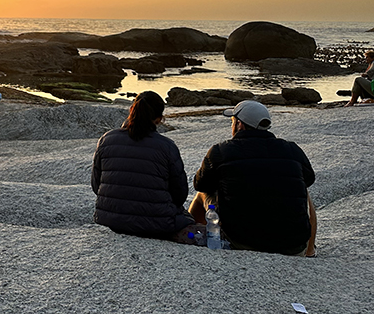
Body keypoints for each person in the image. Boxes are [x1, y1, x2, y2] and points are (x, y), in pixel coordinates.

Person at [189, 100, 317, 256]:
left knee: (203, 193)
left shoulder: (220, 150)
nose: (232, 126)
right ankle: (309, 250)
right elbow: (309, 179)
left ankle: (192, 234)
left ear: (240, 125)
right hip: (293, 246)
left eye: (232, 122)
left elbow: (199, 184)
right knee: (304, 191)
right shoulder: (292, 149)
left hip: (240, 242)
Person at [91, 91, 200, 243]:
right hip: (157, 224)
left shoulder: (106, 139)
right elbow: (179, 194)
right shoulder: (166, 146)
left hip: (110, 219)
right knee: (189, 219)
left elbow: (97, 185)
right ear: (159, 119)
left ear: (131, 111)